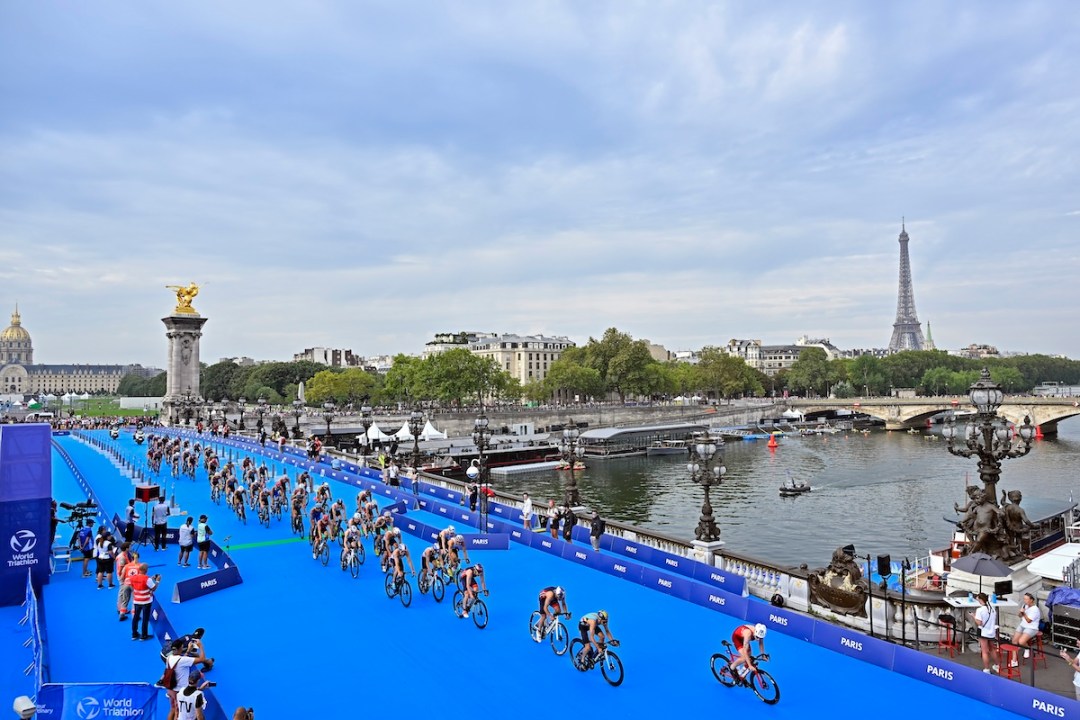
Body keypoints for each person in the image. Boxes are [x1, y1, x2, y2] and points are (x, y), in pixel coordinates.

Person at [969, 592, 999, 674]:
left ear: (980, 599)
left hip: (983, 632)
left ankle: (986, 669)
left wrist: (974, 616)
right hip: (991, 631)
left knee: (984, 651)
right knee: (992, 649)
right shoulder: (992, 609)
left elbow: (979, 623)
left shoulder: (979, 610)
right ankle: (997, 665)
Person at [129, 563, 160, 640]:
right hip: (146, 601)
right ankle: (144, 635)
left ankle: (134, 634)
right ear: (146, 570)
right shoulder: (147, 579)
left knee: (136, 617)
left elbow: (131, 586)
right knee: (145, 618)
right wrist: (157, 581)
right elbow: (153, 588)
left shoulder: (133, 577)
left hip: (137, 600)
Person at [1012, 592, 1042, 661]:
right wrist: (1020, 612)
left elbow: (1029, 621)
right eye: (1024, 599)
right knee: (1014, 641)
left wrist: (1024, 613)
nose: (1024, 601)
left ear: (1031, 600)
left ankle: (1027, 648)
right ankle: (1014, 660)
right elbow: (1019, 616)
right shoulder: (1024, 605)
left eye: (1026, 599)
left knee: (1021, 642)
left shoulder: (1035, 609)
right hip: (1023, 625)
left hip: (1032, 627)